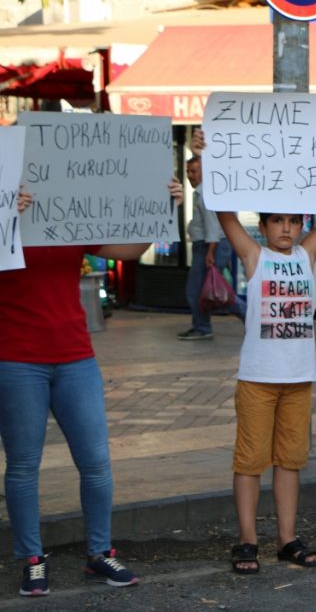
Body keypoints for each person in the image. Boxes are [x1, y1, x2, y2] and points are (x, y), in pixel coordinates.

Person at [0, 179, 182, 597]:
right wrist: (7, 215)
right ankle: (31, 559)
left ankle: (100, 553)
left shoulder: (66, 218)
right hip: (16, 359)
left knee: (97, 464)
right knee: (24, 467)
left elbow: (131, 251)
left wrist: (163, 207)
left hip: (76, 357)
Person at [217, 207, 316, 574]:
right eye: (277, 221)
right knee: (250, 461)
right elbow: (225, 216)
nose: (286, 228)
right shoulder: (255, 256)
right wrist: (209, 168)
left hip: (298, 379)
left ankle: (287, 539)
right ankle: (248, 541)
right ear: (262, 226)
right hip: (258, 379)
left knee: (291, 460)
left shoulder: (307, 254)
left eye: (293, 221)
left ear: (303, 226)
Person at [178, 146, 245, 341]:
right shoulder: (202, 192)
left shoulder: (206, 193)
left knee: (206, 289)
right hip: (208, 246)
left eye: (194, 171)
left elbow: (213, 225)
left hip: (210, 246)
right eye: (188, 172)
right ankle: (203, 325)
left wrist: (210, 251)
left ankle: (205, 326)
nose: (190, 176)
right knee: (209, 289)